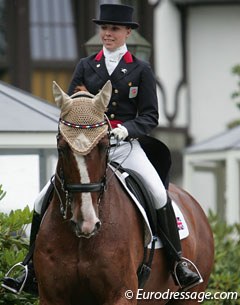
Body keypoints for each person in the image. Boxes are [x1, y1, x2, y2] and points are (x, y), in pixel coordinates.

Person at [2, 4, 201, 294]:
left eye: (115, 29)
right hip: (87, 146)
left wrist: (126, 130)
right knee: (41, 200)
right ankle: (29, 267)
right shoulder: (86, 65)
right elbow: (70, 107)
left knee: (158, 194)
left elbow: (150, 116)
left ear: (127, 32)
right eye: (105, 28)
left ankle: (177, 262)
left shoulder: (140, 69)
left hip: (124, 147)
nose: (108, 33)